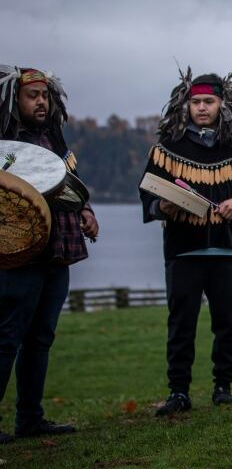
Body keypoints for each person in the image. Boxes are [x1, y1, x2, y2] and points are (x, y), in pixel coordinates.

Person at [139, 70, 232, 416]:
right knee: (180, 323)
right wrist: (162, 205)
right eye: (195, 102)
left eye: (208, 102)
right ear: (186, 104)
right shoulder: (167, 149)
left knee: (227, 322)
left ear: (222, 104)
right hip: (184, 250)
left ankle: (223, 386)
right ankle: (178, 392)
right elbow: (146, 191)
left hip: (229, 248)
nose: (201, 108)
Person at [0, 66, 99, 442]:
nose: (41, 102)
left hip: (57, 253)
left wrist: (86, 211)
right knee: (7, 337)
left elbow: (68, 190)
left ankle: (30, 419)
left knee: (41, 337)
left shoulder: (53, 139)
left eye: (45, 96)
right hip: (20, 255)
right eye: (32, 96)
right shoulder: (6, 146)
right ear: (15, 100)